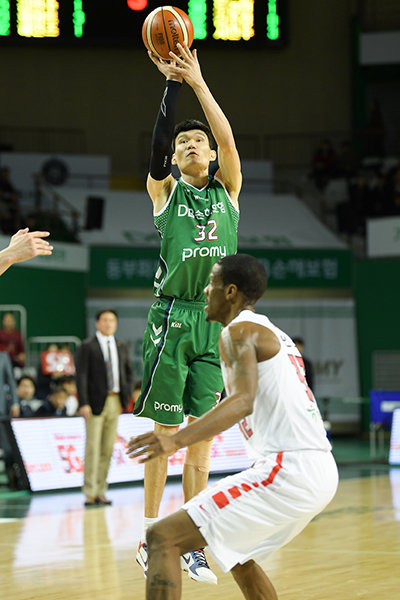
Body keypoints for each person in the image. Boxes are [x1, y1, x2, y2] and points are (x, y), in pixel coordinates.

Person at [127, 254, 339, 600]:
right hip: (318, 468)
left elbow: (242, 400)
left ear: (231, 292)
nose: (204, 290)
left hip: (290, 468)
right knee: (239, 556)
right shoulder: (272, 332)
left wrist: (174, 441)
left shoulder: (238, 332)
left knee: (162, 538)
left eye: (211, 283)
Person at [133, 42, 241, 583]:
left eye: (198, 141)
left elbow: (226, 137)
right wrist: (172, 86)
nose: (193, 145)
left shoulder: (229, 190)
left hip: (213, 322)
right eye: (184, 143)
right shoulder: (164, 191)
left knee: (200, 440)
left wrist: (198, 81)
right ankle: (152, 533)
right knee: (164, 434)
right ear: (175, 160)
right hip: (172, 318)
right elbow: (156, 148)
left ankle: (189, 537)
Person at [75, 309, 134, 507]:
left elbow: (127, 371)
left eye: (112, 320)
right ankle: (90, 492)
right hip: (94, 402)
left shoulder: (120, 345)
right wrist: (83, 402)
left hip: (115, 400)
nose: (109, 324)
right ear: (97, 323)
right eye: (105, 320)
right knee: (93, 448)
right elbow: (81, 376)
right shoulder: (87, 346)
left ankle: (102, 490)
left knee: (108, 448)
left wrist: (127, 395)